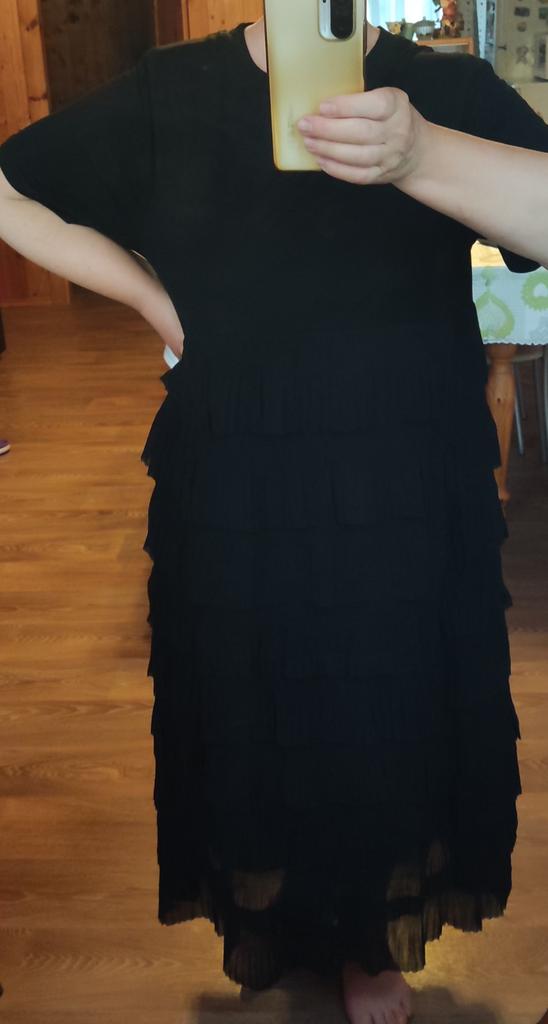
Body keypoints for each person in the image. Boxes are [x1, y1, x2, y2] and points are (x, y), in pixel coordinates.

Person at [1, 14, 548, 1024]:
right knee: (253, 702)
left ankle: (368, 939)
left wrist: (419, 152)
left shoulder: (447, 88)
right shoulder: (170, 90)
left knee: (393, 711)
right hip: (235, 476)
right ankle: (290, 918)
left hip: (405, 477)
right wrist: (152, 301)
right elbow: (9, 187)